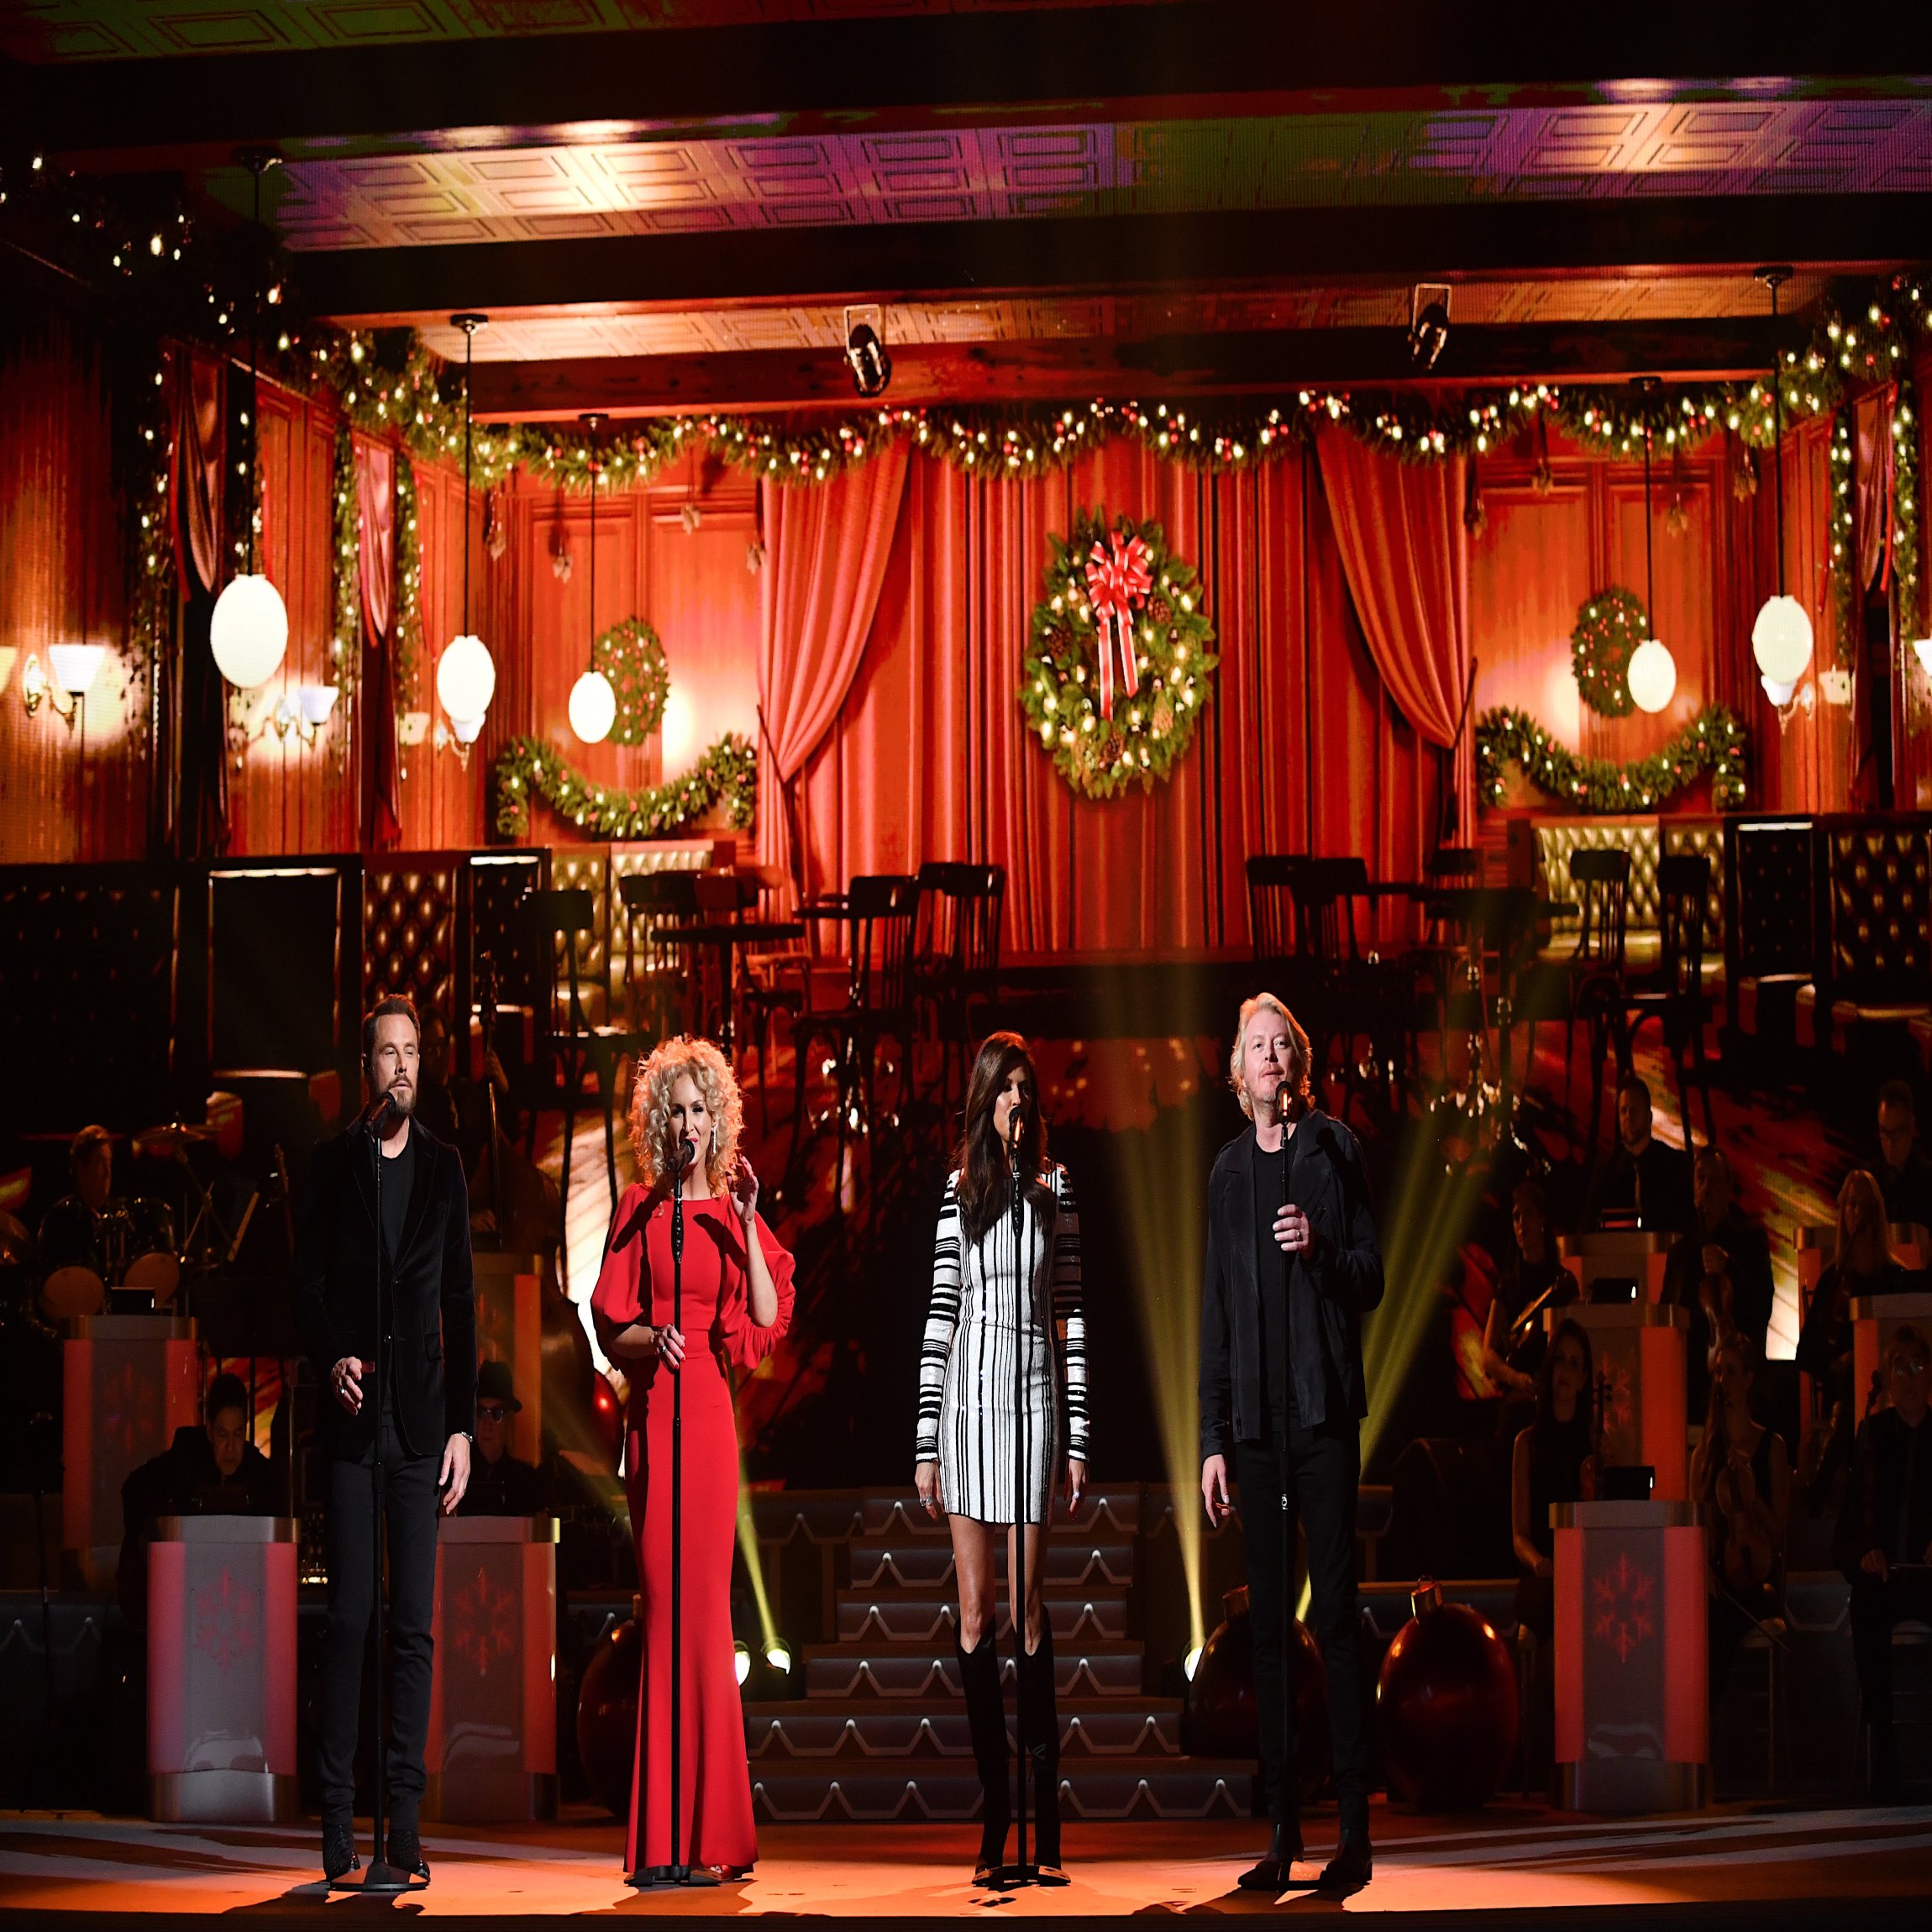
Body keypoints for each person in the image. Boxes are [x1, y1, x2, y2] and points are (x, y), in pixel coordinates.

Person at [591, 1037, 793, 1882]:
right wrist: (650, 1336)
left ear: (717, 1121)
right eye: (672, 1109)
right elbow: (610, 1321)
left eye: (697, 1109)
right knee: (663, 1613)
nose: (685, 1123)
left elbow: (767, 1311)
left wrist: (745, 1223)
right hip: (657, 1417)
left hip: (708, 1418)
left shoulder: (728, 1214)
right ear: (656, 1122)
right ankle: (662, 1838)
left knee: (706, 1621)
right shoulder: (641, 1208)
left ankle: (711, 1837)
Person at [1200, 994, 1383, 1898]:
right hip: (1256, 1432)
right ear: (1236, 1073)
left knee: (1334, 1620)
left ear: (1296, 1065)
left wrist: (1316, 1248)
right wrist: (1211, 1437)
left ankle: (1351, 1829)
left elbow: (1370, 1275)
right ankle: (1280, 1830)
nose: (1268, 1057)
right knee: (1268, 1633)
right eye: (1254, 1046)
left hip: (1320, 1420)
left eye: (1280, 1044)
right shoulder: (1228, 1172)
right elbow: (1214, 1319)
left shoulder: (1331, 1147)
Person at [293, 995, 475, 1887]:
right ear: (365, 1066)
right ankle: (337, 1815)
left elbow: (463, 1304)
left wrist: (464, 1430)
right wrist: (332, 1356)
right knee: (350, 1616)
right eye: (386, 1053)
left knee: (413, 1628)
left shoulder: (444, 1167)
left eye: (412, 1051)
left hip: (420, 1426)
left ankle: (401, 1828)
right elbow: (307, 1282)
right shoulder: (334, 1164)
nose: (400, 1066)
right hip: (356, 1422)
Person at [915, 1032, 1088, 1887]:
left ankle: (1043, 1809)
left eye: (1028, 1088)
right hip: (966, 1409)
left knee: (1026, 1609)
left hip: (1031, 1405)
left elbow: (1070, 1314)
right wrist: (922, 1440)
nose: (1018, 1101)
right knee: (975, 1611)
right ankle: (994, 1810)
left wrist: (1078, 1432)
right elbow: (940, 1312)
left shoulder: (1055, 1191)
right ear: (985, 1101)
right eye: (1005, 1089)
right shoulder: (959, 1195)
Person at [1835, 1325, 1932, 1801]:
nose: (1910, 1377)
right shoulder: (1872, 1435)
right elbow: (1847, 1529)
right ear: (1888, 1379)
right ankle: (1884, 1757)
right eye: (1900, 1367)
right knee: (1866, 1604)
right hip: (1885, 1575)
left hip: (1931, 1578)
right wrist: (1867, 1553)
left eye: (1918, 1365)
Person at [117, 1370, 279, 1623]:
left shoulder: (260, 1473)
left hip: (237, 1600)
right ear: (209, 1432)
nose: (230, 1448)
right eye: (222, 1434)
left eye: (237, 1435)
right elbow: (133, 1488)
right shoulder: (184, 1461)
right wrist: (149, 1544)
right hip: (183, 1594)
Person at [1690, 1337, 1788, 1704]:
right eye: (1717, 1371)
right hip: (1717, 1580)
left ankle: (1703, 1716)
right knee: (1701, 1612)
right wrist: (1704, 1571)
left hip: (1755, 1575)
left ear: (1748, 1379)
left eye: (1730, 1371)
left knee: (1718, 1620)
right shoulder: (1702, 1454)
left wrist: (1750, 1491)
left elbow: (1779, 1533)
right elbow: (1694, 1531)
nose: (1722, 1379)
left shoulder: (1771, 1446)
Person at [1662, 1147, 1776, 1413]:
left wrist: (1731, 1269)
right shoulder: (1680, 1253)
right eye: (1701, 1179)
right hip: (1691, 1382)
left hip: (1741, 1379)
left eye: (1714, 1180)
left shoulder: (1751, 1238)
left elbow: (1763, 1309)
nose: (1707, 1188)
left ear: (1728, 1187)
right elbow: (1667, 1318)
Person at [1509, 1318, 1598, 1643]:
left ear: (1584, 1378)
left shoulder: (1594, 1443)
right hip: (1542, 1572)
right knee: (1550, 1603)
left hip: (1585, 1567)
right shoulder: (1526, 1444)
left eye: (1574, 1363)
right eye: (1559, 1359)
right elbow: (1519, 1535)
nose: (1565, 1370)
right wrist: (1539, 1563)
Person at [1797, 1170, 1907, 1424]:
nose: (1860, 1213)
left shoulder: (1895, 1277)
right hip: (1840, 1405)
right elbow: (1807, 1354)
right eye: (1853, 1204)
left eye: (1867, 1206)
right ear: (1843, 1212)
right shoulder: (1832, 1281)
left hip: (1889, 1403)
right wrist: (1840, 1363)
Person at [1481, 1180, 1574, 1421]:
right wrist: (1516, 1378)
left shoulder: (1563, 1283)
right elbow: (1488, 1353)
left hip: (1559, 1393)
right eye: (1516, 1217)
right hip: (1519, 1396)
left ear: (1542, 1220)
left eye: (1528, 1214)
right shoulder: (1508, 1284)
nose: (1522, 1224)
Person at [1584, 1075, 1693, 1234]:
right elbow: (1588, 1225)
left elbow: (1686, 1223)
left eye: (1634, 1110)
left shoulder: (1674, 1165)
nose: (1628, 1117)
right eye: (1623, 1111)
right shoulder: (1606, 1170)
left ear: (1649, 1117)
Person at [458, 1359, 546, 1516]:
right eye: (481, 1412)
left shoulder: (527, 1483)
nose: (488, 1424)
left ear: (508, 1420)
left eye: (497, 1413)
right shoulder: (456, 1477)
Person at [37, 1124, 115, 1277]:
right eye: (100, 1162)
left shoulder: (116, 1215)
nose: (107, 1172)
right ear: (80, 1166)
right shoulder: (62, 1219)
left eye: (109, 1163)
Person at [1872, 1079, 1932, 1231]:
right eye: (1884, 1132)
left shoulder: (1927, 1180)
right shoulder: (1870, 1180)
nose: (1890, 1143)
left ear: (1912, 1127)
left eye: (1898, 1133)